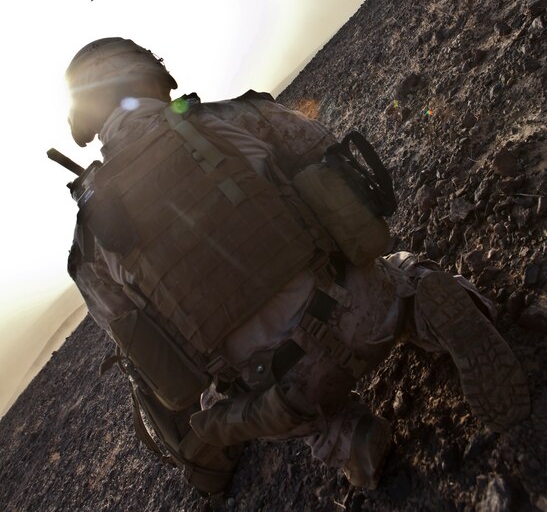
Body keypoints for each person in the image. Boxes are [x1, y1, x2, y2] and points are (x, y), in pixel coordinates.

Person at [63, 37, 530, 496]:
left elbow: (153, 356)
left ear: (89, 120)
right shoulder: (228, 117)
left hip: (282, 391)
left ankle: (345, 438)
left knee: (217, 403)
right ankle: (421, 308)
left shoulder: (89, 248)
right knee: (400, 274)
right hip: (358, 309)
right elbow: (330, 159)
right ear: (151, 76)